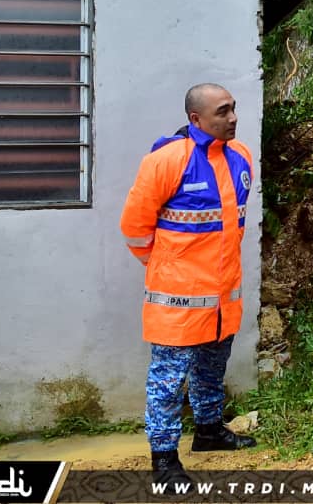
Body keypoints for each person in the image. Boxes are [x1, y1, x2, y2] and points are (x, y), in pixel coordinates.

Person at [121, 83, 257, 484]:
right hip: (177, 302)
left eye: (233, 109)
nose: (232, 118)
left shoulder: (241, 157)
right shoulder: (166, 161)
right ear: (196, 119)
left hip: (222, 298)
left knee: (211, 370)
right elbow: (133, 228)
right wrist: (163, 264)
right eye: (222, 112)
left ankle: (209, 432)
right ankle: (163, 459)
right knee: (168, 381)